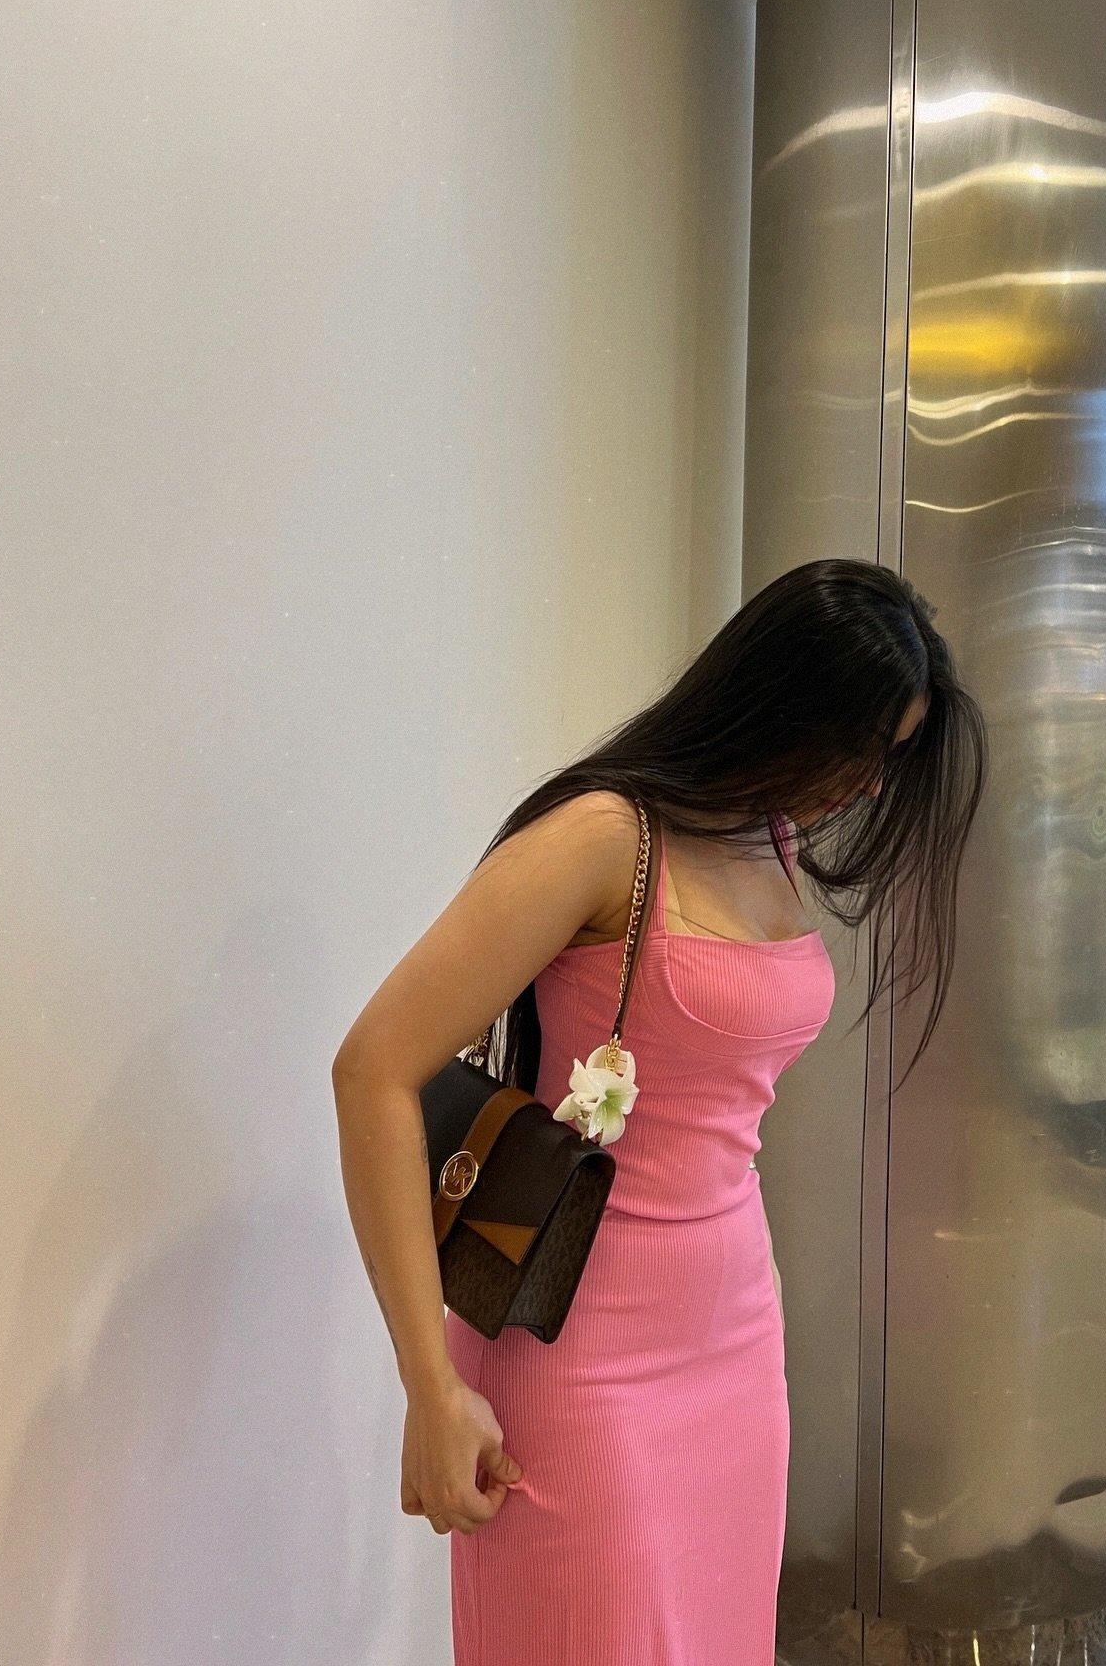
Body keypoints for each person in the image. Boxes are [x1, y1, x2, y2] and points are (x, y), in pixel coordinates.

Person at [331, 556, 986, 1665]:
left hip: (732, 1330)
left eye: (891, 756)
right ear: (780, 702)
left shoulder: (776, 839)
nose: (870, 786)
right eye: (864, 747)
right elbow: (373, 1073)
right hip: (579, 1343)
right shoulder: (605, 837)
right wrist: (428, 1387)